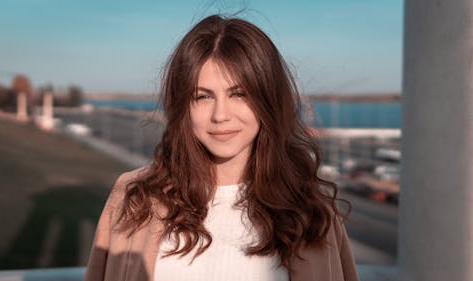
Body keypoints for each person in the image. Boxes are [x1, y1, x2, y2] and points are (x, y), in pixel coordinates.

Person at [84, 14, 359, 281]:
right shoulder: (134, 197)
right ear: (183, 105)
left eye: (238, 94)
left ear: (268, 100)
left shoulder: (313, 211)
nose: (220, 115)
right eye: (203, 96)